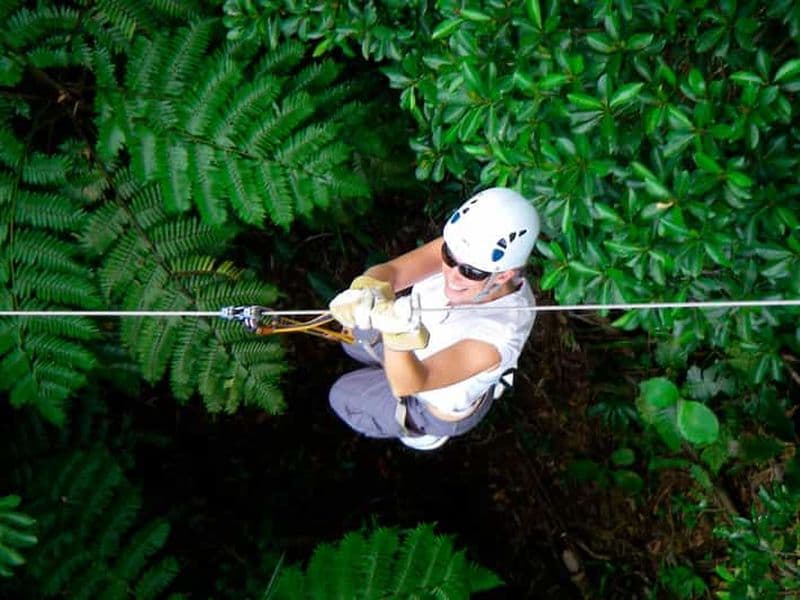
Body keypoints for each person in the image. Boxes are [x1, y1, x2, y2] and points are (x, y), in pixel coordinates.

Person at [327, 187, 540, 450]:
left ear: (504, 275)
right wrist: (366, 287)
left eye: (470, 272)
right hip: (413, 339)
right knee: (354, 335)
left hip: (430, 398)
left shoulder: (500, 336)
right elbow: (393, 271)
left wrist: (396, 335)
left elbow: (410, 383)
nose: (452, 274)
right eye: (448, 256)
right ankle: (384, 361)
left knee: (343, 396)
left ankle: (422, 431)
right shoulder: (468, 249)